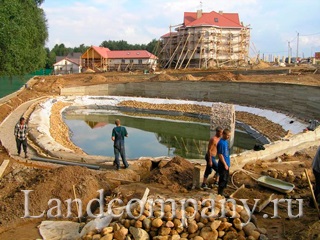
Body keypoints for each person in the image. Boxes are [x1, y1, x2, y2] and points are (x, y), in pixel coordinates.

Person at [217, 129, 231, 197]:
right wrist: (225, 164)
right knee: (223, 179)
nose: (228, 137)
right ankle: (220, 193)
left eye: (229, 135)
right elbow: (220, 155)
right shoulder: (221, 143)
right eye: (228, 135)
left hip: (226, 164)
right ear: (224, 134)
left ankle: (222, 192)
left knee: (225, 178)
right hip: (223, 164)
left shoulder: (225, 142)